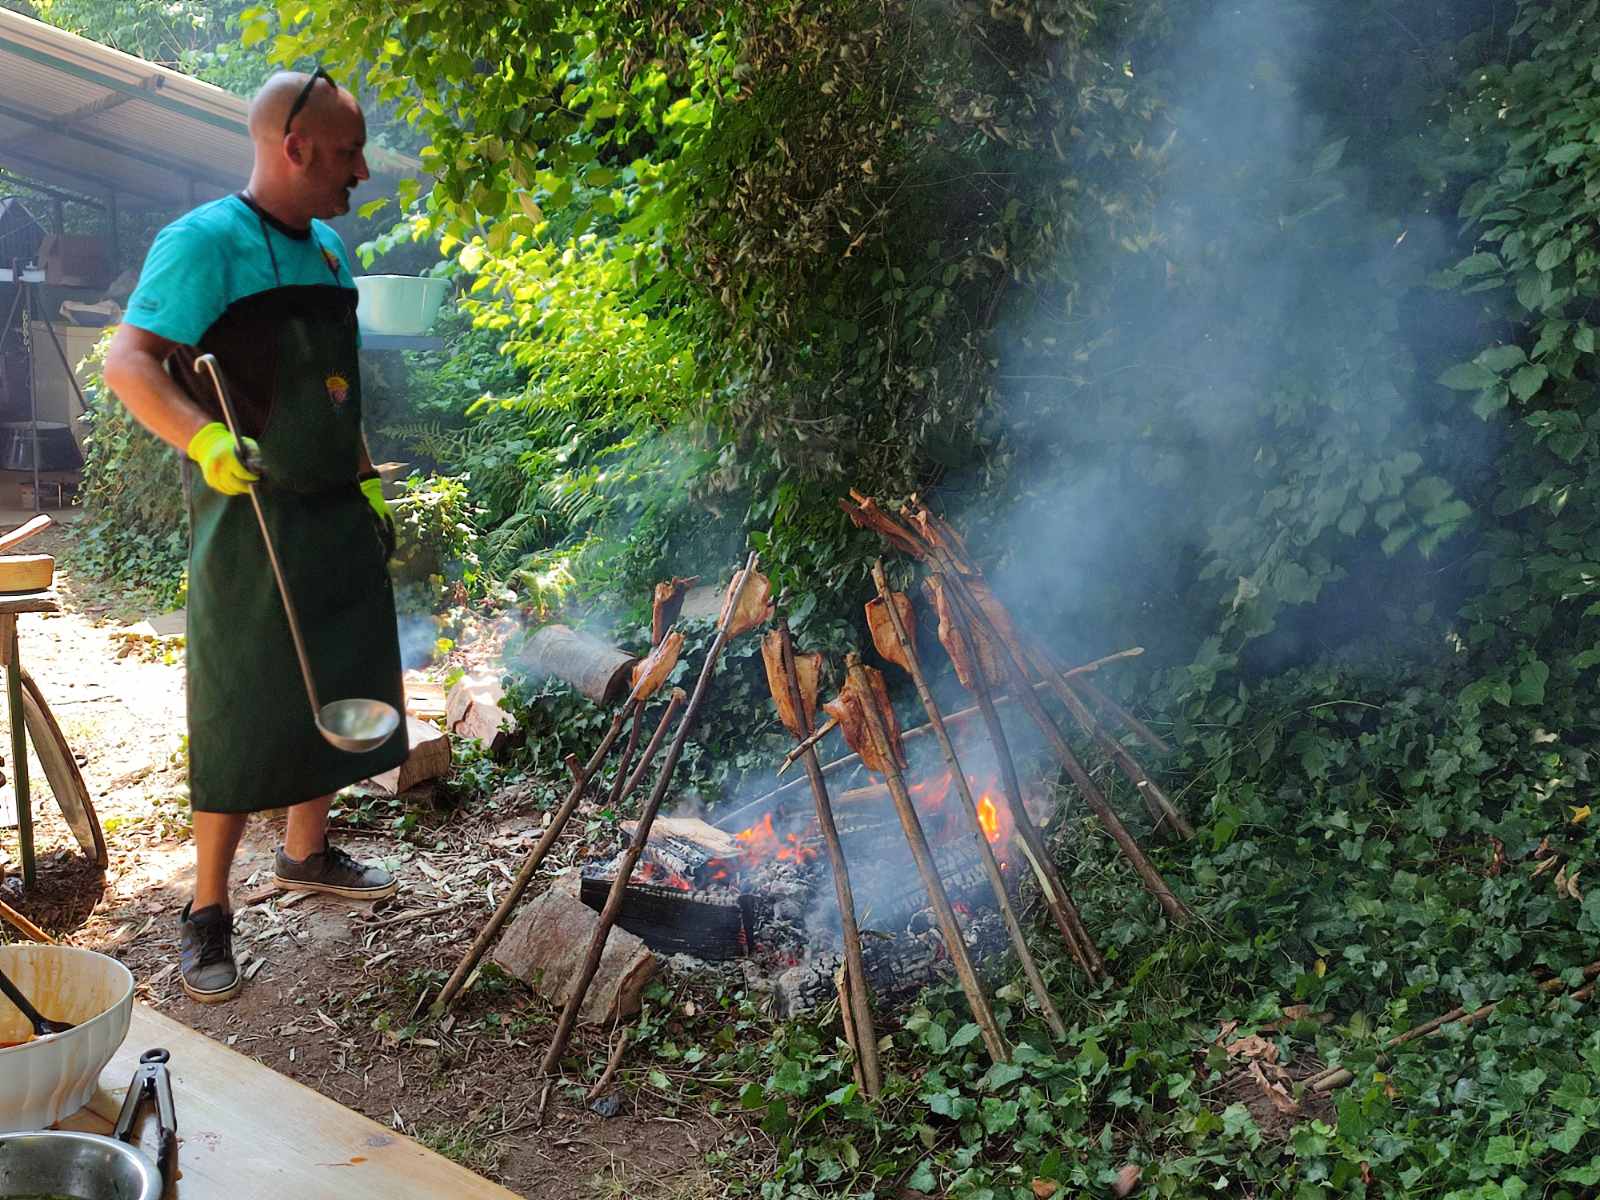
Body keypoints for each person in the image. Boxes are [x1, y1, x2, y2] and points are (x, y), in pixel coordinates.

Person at [104, 70, 409, 1004]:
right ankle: (206, 911)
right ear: (295, 146)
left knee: (341, 681)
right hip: (248, 518)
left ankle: (306, 853)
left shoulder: (326, 250)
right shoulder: (203, 243)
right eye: (348, 152)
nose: (360, 170)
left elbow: (335, 385)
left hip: (331, 510)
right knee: (240, 702)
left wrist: (365, 478)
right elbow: (130, 361)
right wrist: (199, 436)